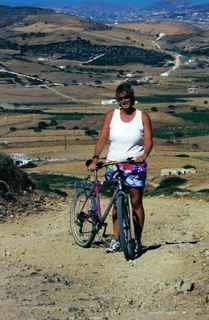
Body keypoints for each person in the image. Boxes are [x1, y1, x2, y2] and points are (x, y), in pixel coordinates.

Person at [88, 82, 153, 253]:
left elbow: (148, 140)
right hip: (113, 164)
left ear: (132, 98)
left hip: (134, 164)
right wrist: (95, 157)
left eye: (127, 97)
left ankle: (137, 241)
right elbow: (102, 137)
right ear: (117, 100)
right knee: (117, 204)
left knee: (136, 202)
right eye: (120, 98)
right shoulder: (111, 116)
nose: (124, 101)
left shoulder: (142, 116)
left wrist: (144, 156)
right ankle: (117, 239)